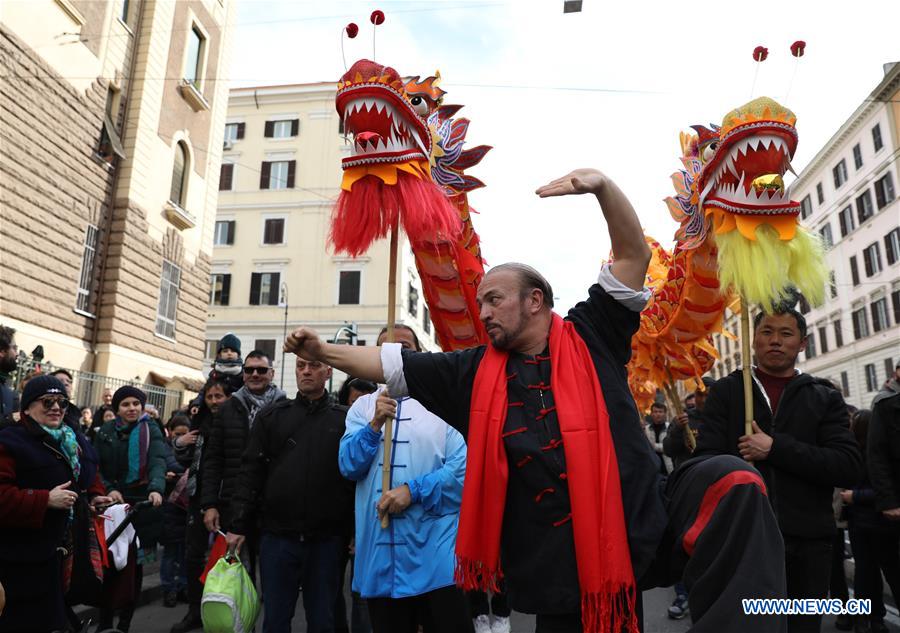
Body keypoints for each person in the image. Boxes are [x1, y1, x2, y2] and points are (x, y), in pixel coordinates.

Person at [285, 168, 786, 632]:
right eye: (480, 302)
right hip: (552, 571)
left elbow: (633, 256)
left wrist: (603, 188)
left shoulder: (594, 331)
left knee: (732, 479)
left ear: (535, 301)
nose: (484, 313)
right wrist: (321, 351)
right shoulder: (472, 370)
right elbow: (389, 363)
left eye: (494, 299)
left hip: (632, 531)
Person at [695, 306, 862, 633]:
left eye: (786, 334)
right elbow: (704, 462)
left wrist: (776, 448)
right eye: (766, 332)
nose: (775, 341)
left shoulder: (824, 397)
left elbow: (847, 466)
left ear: (802, 343)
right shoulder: (727, 392)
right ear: (753, 340)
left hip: (808, 545)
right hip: (744, 542)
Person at [339, 325, 472, 633]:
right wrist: (373, 426)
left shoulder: (444, 405)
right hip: (380, 554)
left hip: (436, 557)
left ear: (419, 355)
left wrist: (413, 491)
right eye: (384, 349)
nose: (393, 355)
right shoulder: (361, 407)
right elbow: (348, 465)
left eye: (403, 347)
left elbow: (462, 472)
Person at [226, 355, 354, 633]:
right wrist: (237, 524)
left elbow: (354, 481)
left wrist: (355, 531)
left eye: (314, 365)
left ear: (328, 371)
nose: (306, 371)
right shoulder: (272, 417)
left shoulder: (345, 420)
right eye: (300, 365)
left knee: (323, 621)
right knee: (274, 620)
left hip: (327, 542)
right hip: (277, 539)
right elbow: (250, 472)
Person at [0, 375, 110, 632]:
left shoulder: (71, 440)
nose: (56, 407)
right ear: (26, 407)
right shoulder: (9, 441)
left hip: (60, 555)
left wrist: (93, 497)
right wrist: (44, 500)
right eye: (47, 401)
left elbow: (84, 477)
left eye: (62, 401)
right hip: (19, 561)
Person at [200, 351, 285, 582]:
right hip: (233, 505)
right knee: (235, 579)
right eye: (249, 370)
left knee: (274, 579)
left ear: (272, 373)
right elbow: (213, 459)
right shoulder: (228, 408)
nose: (255, 374)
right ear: (243, 374)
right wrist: (209, 504)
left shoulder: (286, 409)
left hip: (274, 507)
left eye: (261, 369)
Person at [94, 386, 168, 632]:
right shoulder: (105, 431)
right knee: (110, 567)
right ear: (117, 409)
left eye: (136, 403)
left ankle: (124, 624)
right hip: (112, 509)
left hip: (142, 510)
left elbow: (158, 460)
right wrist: (107, 489)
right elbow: (97, 466)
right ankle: (105, 624)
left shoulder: (152, 429)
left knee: (135, 571)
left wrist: (156, 488)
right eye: (125, 404)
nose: (132, 408)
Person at [170, 378, 232, 633]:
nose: (215, 401)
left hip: (226, 497)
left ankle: (227, 610)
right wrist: (178, 443)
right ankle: (195, 610)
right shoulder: (199, 422)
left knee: (227, 558)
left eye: (219, 396)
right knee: (193, 556)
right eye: (210, 397)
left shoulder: (235, 421)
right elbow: (185, 458)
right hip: (197, 495)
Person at [841, 409, 899, 633]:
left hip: (861, 522)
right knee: (890, 571)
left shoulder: (854, 455)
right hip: (882, 522)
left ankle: (867, 620)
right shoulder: (882, 455)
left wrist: (854, 496)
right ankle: (872, 619)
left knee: (866, 575)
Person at [161, 416, 190, 608]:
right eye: (177, 433)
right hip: (170, 509)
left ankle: (183, 587)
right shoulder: (164, 448)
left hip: (186, 509)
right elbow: (170, 466)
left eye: (184, 433)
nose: (180, 437)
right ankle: (169, 588)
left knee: (185, 552)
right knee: (170, 553)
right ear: (169, 432)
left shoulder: (193, 449)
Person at [643, 402, 671, 475]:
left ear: (665, 414)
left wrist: (654, 446)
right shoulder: (646, 429)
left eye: (660, 412)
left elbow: (670, 447)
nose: (658, 414)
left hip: (668, 467)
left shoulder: (670, 428)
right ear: (651, 414)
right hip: (652, 467)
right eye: (655, 412)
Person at [0, 327, 18, 425]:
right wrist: (11, 419)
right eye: (14, 348)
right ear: (2, 352)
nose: (17, 354)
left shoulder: (9, 391)